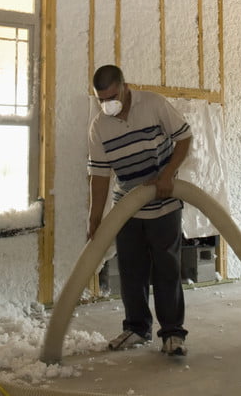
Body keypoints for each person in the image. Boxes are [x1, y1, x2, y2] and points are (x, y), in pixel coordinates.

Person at [87, 64, 193, 356]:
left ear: (125, 86)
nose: (109, 104)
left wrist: (168, 174)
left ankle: (172, 334)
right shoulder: (99, 126)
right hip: (127, 208)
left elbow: (184, 138)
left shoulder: (154, 104)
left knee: (166, 270)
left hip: (164, 203)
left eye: (113, 96)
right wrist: (95, 218)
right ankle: (136, 328)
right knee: (131, 272)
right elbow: (99, 175)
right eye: (102, 100)